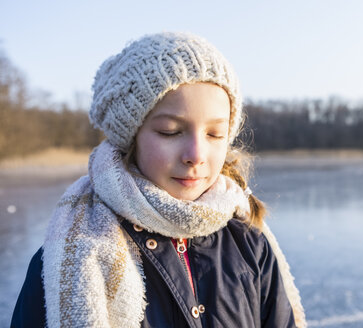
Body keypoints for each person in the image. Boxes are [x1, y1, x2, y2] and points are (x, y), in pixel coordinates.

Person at [11, 31, 306, 328]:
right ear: (131, 138)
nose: (196, 154)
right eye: (170, 131)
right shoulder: (70, 257)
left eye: (214, 134)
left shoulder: (249, 243)